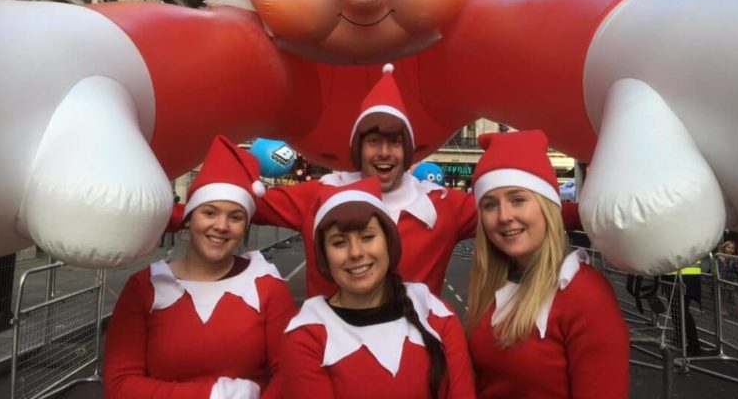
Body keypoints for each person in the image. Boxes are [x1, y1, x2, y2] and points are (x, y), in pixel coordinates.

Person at [253, 64, 478, 297]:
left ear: (408, 150)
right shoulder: (317, 194)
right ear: (358, 148)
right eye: (373, 142)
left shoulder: (445, 204)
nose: (384, 152)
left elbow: (510, 213)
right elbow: (236, 202)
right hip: (327, 332)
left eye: (395, 142)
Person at [103, 136, 296, 399]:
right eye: (210, 212)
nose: (221, 226)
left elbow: (291, 376)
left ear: (246, 226)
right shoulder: (144, 288)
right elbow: (120, 386)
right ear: (190, 218)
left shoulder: (267, 286)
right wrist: (214, 395)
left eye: (236, 217)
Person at [465, 130, 629, 399]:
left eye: (518, 199)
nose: (504, 216)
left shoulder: (587, 295)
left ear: (548, 207)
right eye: (490, 205)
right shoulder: (490, 285)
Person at [280, 177, 475, 398]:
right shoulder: (307, 333)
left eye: (367, 237)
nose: (355, 253)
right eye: (339, 242)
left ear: (388, 243)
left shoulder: (436, 314)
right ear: (324, 257)